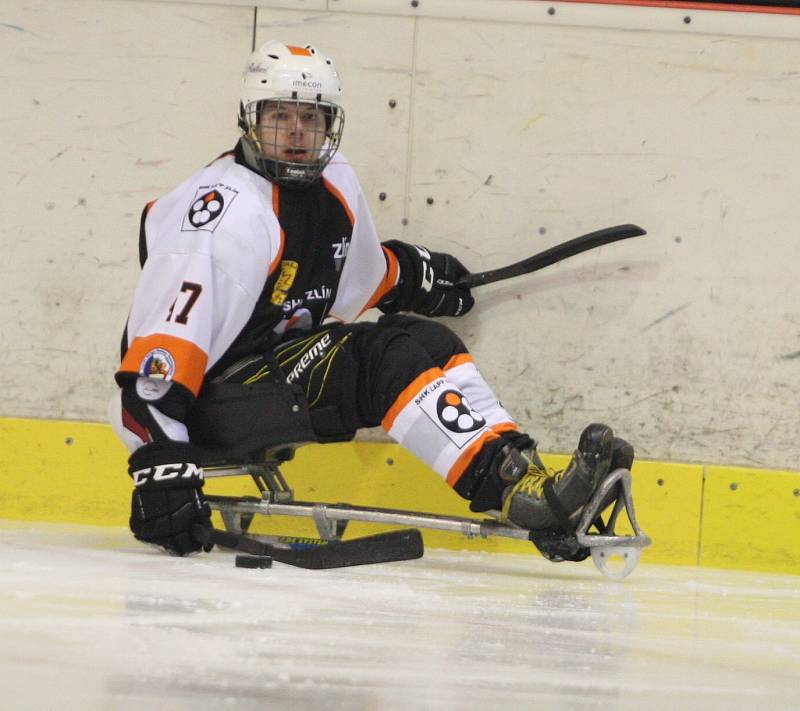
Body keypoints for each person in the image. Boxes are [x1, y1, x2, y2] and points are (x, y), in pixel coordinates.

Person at [110, 41, 633, 560]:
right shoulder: (223, 218)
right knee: (382, 360)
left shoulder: (336, 178)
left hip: (269, 371)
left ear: (330, 123)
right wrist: (162, 471)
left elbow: (361, 275)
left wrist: (419, 278)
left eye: (311, 117)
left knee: (429, 341)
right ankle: (517, 496)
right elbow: (153, 365)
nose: (296, 132)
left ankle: (528, 481)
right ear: (250, 120)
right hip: (202, 402)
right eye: (279, 115)